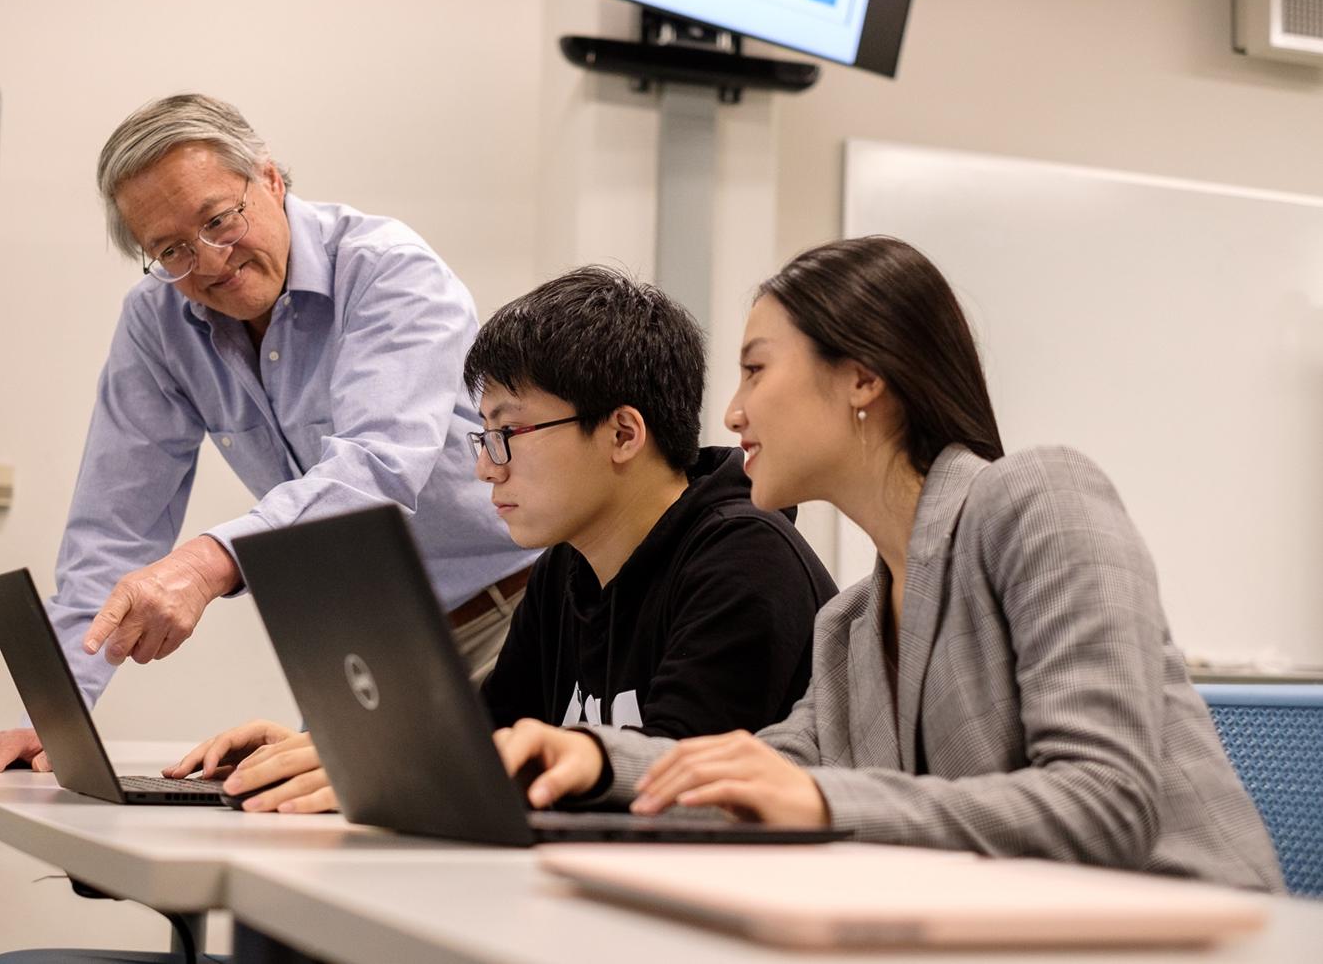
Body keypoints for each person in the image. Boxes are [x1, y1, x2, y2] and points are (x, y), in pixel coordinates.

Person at [494, 236, 1284, 892]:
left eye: (757, 369)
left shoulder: (1040, 498)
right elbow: (761, 771)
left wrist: (815, 797)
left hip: (1194, 934)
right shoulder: (849, 625)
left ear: (864, 378)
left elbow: (1105, 805)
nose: (732, 412)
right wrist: (597, 758)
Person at [0, 94, 535, 773]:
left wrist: (207, 562)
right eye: (171, 250)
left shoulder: (389, 270)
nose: (209, 261)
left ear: (270, 180)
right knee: (300, 836)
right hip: (373, 643)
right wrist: (56, 714)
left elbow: (377, 470)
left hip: (511, 617)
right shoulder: (157, 321)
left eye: (218, 220)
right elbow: (114, 527)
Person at [165, 266, 838, 813]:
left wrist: (402, 773)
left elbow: (668, 797)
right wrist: (339, 752)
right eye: (483, 437)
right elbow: (479, 745)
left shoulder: (745, 565)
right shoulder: (564, 569)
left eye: (507, 434)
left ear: (624, 434)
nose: (486, 467)